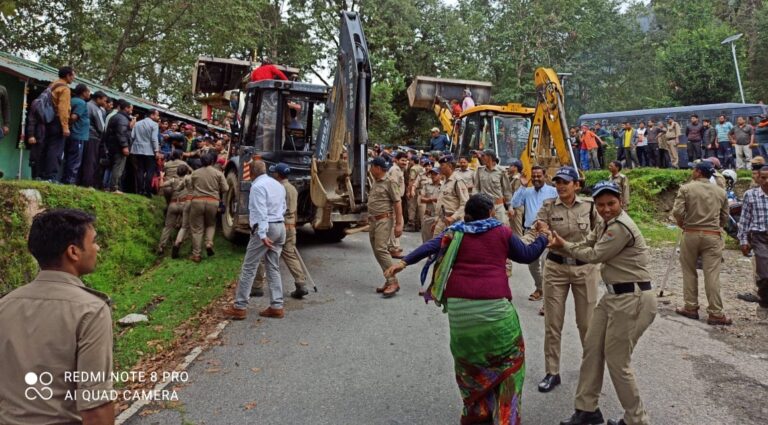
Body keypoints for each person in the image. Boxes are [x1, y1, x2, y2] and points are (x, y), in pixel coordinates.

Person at [385, 193, 549, 425]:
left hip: (460, 312)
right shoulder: (500, 231)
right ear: (491, 213)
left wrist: (403, 262)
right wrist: (543, 236)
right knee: (510, 360)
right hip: (495, 309)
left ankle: (478, 411)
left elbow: (432, 245)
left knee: (471, 362)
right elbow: (527, 254)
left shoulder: (457, 231)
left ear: (468, 214)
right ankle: (504, 417)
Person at [553, 181, 656, 425]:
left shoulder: (620, 227)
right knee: (592, 349)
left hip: (633, 298)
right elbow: (588, 243)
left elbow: (594, 255)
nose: (606, 208)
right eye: (600, 204)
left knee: (618, 361)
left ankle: (636, 420)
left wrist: (564, 246)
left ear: (620, 201)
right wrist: (563, 245)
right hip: (612, 297)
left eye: (611, 203)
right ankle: (587, 409)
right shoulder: (604, 223)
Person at [0, 209, 114, 425]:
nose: (97, 248)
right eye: (94, 241)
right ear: (73, 252)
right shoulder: (91, 311)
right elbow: (95, 405)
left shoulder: (5, 305)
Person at [523, 166, 600, 394]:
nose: (560, 186)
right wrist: (538, 232)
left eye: (565, 182)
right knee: (553, 324)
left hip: (584, 269)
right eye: (557, 182)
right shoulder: (548, 206)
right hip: (555, 268)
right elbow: (538, 227)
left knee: (587, 324)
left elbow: (603, 234)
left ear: (576, 184)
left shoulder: (590, 206)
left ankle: (590, 369)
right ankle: (552, 372)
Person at [223, 160, 287, 319]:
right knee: (273, 267)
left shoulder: (257, 187)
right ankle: (277, 306)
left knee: (249, 267)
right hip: (280, 227)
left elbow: (261, 212)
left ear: (250, 173)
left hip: (266, 228)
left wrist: (263, 234)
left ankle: (240, 306)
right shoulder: (277, 184)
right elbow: (283, 207)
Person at [672, 161, 732, 325]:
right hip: (712, 235)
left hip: (690, 233)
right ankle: (716, 313)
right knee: (712, 273)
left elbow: (677, 211)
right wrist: (717, 226)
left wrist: (682, 223)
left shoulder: (686, 188)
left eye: (694, 169)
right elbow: (725, 216)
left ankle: (690, 307)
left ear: (698, 172)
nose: (692, 171)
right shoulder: (721, 192)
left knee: (689, 270)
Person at [251, 163, 309, 299]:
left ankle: (257, 286)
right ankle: (301, 283)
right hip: (291, 226)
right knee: (290, 255)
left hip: (278, 225)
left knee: (261, 257)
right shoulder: (293, 188)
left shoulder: (277, 188)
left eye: (274, 172)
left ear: (277, 174)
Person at [510, 165, 558, 301]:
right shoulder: (527, 191)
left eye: (539, 176)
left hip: (547, 233)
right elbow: (514, 203)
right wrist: (522, 186)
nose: (536, 178)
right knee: (532, 264)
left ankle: (548, 299)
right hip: (530, 232)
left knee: (546, 264)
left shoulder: (553, 192)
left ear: (545, 176)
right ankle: (540, 288)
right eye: (534, 176)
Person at [366, 156, 405, 297]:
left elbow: (397, 202)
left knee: (381, 249)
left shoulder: (389, 182)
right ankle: (388, 279)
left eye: (371, 166)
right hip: (374, 221)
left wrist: (399, 224)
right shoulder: (376, 182)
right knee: (377, 250)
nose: (370, 169)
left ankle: (393, 281)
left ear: (377, 168)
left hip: (384, 220)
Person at [737, 166, 768, 319]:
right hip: (760, 237)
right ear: (758, 178)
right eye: (763, 178)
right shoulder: (751, 195)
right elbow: (744, 220)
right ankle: (764, 302)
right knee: (763, 274)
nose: (766, 181)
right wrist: (743, 240)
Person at [188, 152, 228, 262]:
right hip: (213, 202)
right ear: (212, 161)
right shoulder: (218, 173)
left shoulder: (195, 173)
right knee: (211, 224)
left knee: (197, 229)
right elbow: (226, 188)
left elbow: (190, 187)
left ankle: (196, 254)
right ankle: (209, 243)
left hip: (197, 201)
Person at [40, 66, 76, 181]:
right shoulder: (65, 89)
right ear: (68, 76)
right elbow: (63, 109)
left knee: (47, 146)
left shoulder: (53, 85)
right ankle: (51, 176)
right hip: (57, 121)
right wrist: (65, 127)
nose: (74, 78)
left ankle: (41, 174)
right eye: (73, 75)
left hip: (47, 119)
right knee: (55, 149)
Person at [157, 163, 191, 255]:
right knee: (185, 227)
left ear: (177, 172)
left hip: (173, 204)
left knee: (167, 227)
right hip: (184, 204)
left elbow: (161, 186)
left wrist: (161, 177)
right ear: (187, 172)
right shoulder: (189, 180)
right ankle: (179, 242)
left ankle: (161, 246)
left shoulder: (172, 180)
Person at [473, 149, 513, 226]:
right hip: (484, 207)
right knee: (483, 228)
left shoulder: (501, 171)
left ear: (490, 157)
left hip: (498, 207)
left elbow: (507, 191)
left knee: (502, 227)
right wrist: (475, 200)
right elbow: (476, 188)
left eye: (483, 156)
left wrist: (510, 206)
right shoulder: (480, 170)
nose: (481, 158)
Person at [433, 155, 469, 237]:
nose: (440, 168)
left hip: (452, 222)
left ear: (450, 166)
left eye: (442, 165)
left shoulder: (458, 181)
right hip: (441, 221)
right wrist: (436, 221)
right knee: (436, 247)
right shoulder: (445, 181)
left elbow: (465, 203)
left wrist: (453, 217)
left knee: (448, 248)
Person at [62, 83, 91, 184]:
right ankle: (69, 180)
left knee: (68, 157)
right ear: (83, 92)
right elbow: (74, 117)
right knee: (75, 160)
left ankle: (65, 179)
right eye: (88, 91)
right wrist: (68, 125)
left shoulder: (72, 100)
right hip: (78, 135)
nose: (89, 94)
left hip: (71, 135)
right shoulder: (81, 103)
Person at [103, 99, 133, 193]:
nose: (131, 110)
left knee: (112, 166)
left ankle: (108, 186)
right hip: (119, 146)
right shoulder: (122, 118)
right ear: (126, 108)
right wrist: (125, 146)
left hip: (112, 145)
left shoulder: (115, 116)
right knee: (118, 167)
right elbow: (121, 133)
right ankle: (114, 188)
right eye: (131, 108)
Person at [79, 90, 107, 187]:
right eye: (104, 100)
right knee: (91, 161)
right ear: (98, 99)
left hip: (84, 135)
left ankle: (79, 181)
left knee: (82, 159)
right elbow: (101, 127)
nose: (105, 103)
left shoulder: (86, 104)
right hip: (93, 137)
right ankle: (87, 183)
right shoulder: (96, 108)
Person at [130, 109, 161, 197]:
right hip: (149, 151)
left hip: (136, 150)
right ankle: (147, 191)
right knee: (149, 171)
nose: (158, 117)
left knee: (140, 170)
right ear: (152, 115)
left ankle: (140, 190)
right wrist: (156, 151)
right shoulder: (154, 124)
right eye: (157, 115)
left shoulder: (138, 123)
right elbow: (154, 138)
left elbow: (132, 136)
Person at [387, 151, 408, 257]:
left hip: (397, 199)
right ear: (396, 160)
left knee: (396, 222)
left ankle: (393, 246)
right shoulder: (395, 170)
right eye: (402, 160)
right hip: (395, 200)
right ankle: (393, 248)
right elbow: (394, 187)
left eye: (406, 160)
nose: (404, 162)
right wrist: (396, 201)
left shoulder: (399, 170)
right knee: (396, 223)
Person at [419, 166, 442, 243]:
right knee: (426, 240)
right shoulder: (426, 185)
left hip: (439, 217)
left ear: (440, 175)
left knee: (437, 240)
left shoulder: (444, 186)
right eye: (432, 174)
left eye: (435, 174)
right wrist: (431, 199)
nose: (433, 176)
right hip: (428, 216)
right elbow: (421, 199)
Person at [405, 156, 424, 232]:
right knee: (418, 208)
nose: (409, 162)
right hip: (421, 189)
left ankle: (411, 224)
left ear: (413, 161)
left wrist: (409, 191)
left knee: (412, 206)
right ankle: (417, 225)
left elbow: (411, 180)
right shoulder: (421, 168)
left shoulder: (413, 168)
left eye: (410, 160)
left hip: (414, 189)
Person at [507, 160, 525, 236]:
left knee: (517, 230)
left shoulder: (517, 179)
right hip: (512, 207)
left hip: (516, 207)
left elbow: (516, 195)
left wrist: (511, 207)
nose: (509, 167)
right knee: (512, 229)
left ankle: (521, 245)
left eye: (511, 166)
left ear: (515, 168)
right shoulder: (511, 177)